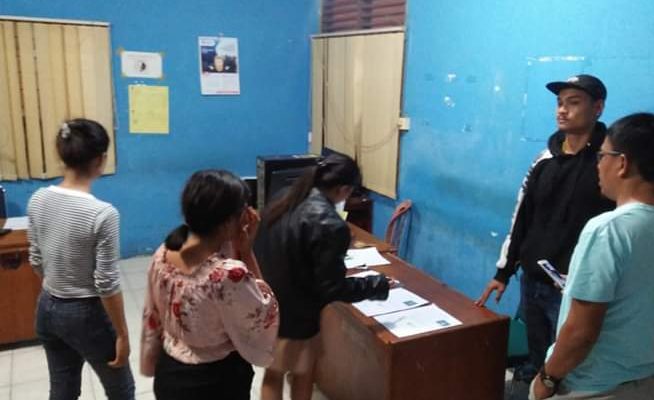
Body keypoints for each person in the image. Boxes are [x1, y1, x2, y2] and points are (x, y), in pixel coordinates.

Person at [530, 113, 654, 399]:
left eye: (602, 156)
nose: (598, 165)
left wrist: (547, 379)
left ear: (622, 163)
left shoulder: (607, 229)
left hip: (594, 388)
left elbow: (581, 333)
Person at [477, 74, 615, 382]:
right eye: (559, 103)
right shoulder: (544, 159)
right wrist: (503, 272)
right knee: (538, 354)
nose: (562, 110)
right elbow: (522, 217)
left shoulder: (608, 164)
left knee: (570, 365)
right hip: (534, 281)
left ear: (598, 108)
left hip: (576, 290)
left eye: (573, 103)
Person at [254, 152, 391, 400]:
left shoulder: (285, 196)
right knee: (304, 373)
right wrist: (376, 284)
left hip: (269, 301)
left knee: (273, 374)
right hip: (298, 314)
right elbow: (332, 288)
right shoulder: (329, 223)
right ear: (344, 189)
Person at [140, 170, 279, 400]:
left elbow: (151, 313)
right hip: (216, 380)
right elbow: (263, 311)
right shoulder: (228, 275)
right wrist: (246, 251)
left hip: (170, 372)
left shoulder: (163, 253)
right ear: (228, 222)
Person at [28, 119, 135, 399]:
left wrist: (59, 287)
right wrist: (122, 334)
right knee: (121, 390)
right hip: (86, 314)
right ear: (101, 159)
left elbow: (36, 259)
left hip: (47, 308)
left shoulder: (38, 199)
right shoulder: (103, 214)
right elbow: (106, 283)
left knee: (62, 389)